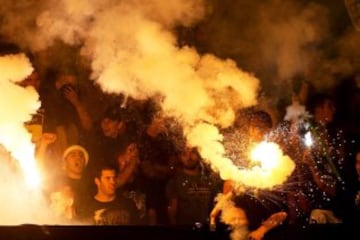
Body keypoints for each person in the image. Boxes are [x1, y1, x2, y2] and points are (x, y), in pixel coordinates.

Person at [166, 146, 222, 225]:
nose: (189, 157)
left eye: (192, 152)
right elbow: (172, 211)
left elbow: (217, 204)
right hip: (185, 229)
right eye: (184, 154)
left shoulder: (210, 179)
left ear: (199, 154)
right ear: (180, 158)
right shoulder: (175, 181)